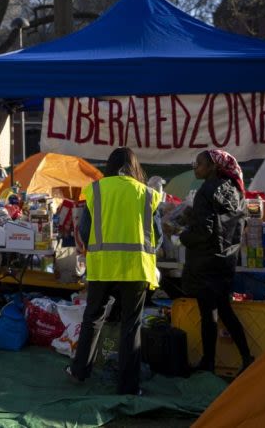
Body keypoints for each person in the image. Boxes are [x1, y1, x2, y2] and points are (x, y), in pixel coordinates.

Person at [67, 147, 161, 395]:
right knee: (131, 325)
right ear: (135, 167)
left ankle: (79, 371)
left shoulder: (96, 190)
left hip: (102, 266)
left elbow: (85, 231)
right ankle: (128, 386)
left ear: (109, 165)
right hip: (136, 268)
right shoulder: (147, 194)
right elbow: (157, 235)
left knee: (93, 317)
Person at [179, 150, 253, 375]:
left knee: (209, 314)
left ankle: (208, 363)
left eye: (199, 164)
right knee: (223, 310)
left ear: (213, 166)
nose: (195, 167)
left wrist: (182, 235)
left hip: (205, 263)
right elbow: (232, 226)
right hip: (226, 261)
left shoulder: (206, 191)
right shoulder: (236, 190)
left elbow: (205, 232)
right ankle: (246, 357)